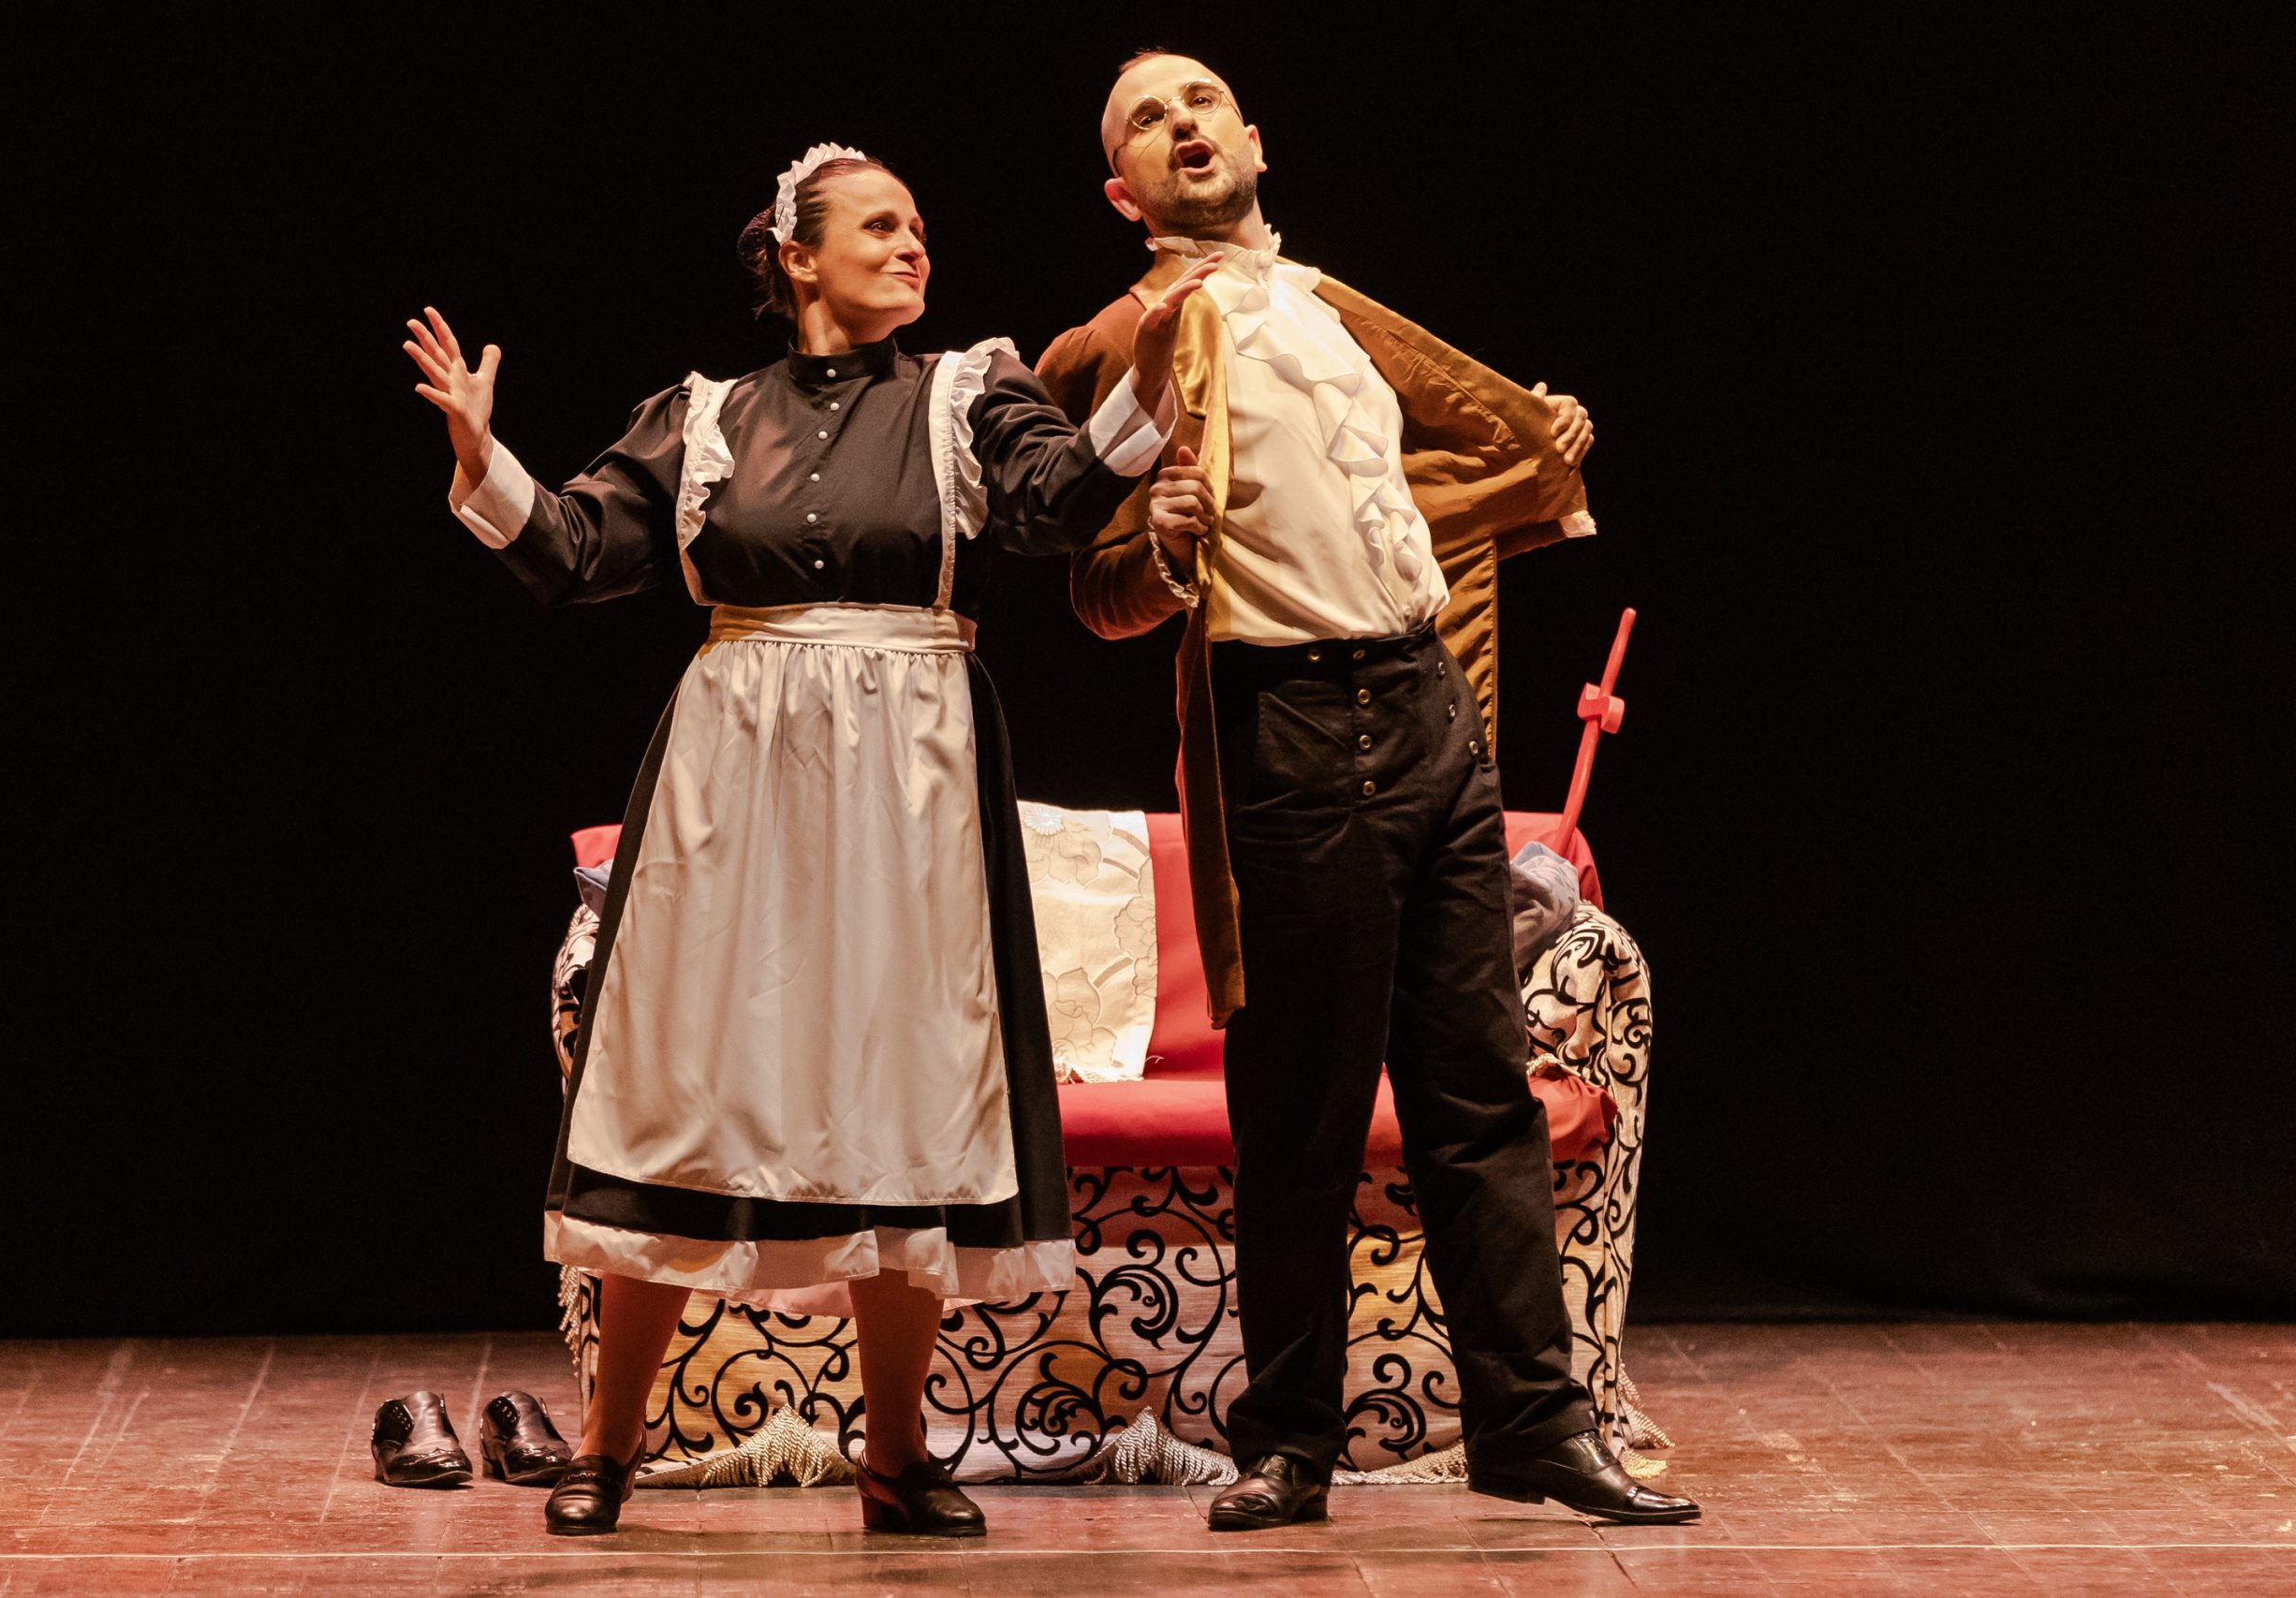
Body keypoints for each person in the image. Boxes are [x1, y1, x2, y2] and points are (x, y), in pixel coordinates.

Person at [405, 142, 1216, 1538]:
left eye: (920, 227)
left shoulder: (970, 390)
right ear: (797, 256)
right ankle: (608, 1447)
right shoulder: (706, 414)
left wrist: (1143, 394)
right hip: (739, 778)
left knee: (903, 1092)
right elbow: (584, 552)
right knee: (683, 1084)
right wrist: (489, 464)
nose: (914, 245)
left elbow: (1057, 501)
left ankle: (896, 1459)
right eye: (881, 225)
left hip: (913, 778)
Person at [1033, 57, 1700, 1529]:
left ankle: (1531, 1426)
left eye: (1203, 101)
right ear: (1121, 192)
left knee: (1477, 1090)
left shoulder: (1333, 311)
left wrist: (1533, 446)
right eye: (1147, 119)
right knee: (1305, 1100)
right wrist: (1162, 546)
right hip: (1291, 723)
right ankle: (1289, 1439)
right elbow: (1094, 584)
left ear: (1256, 140)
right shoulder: (1122, 341)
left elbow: (1434, 477)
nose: (1183, 123)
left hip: (1425, 705)